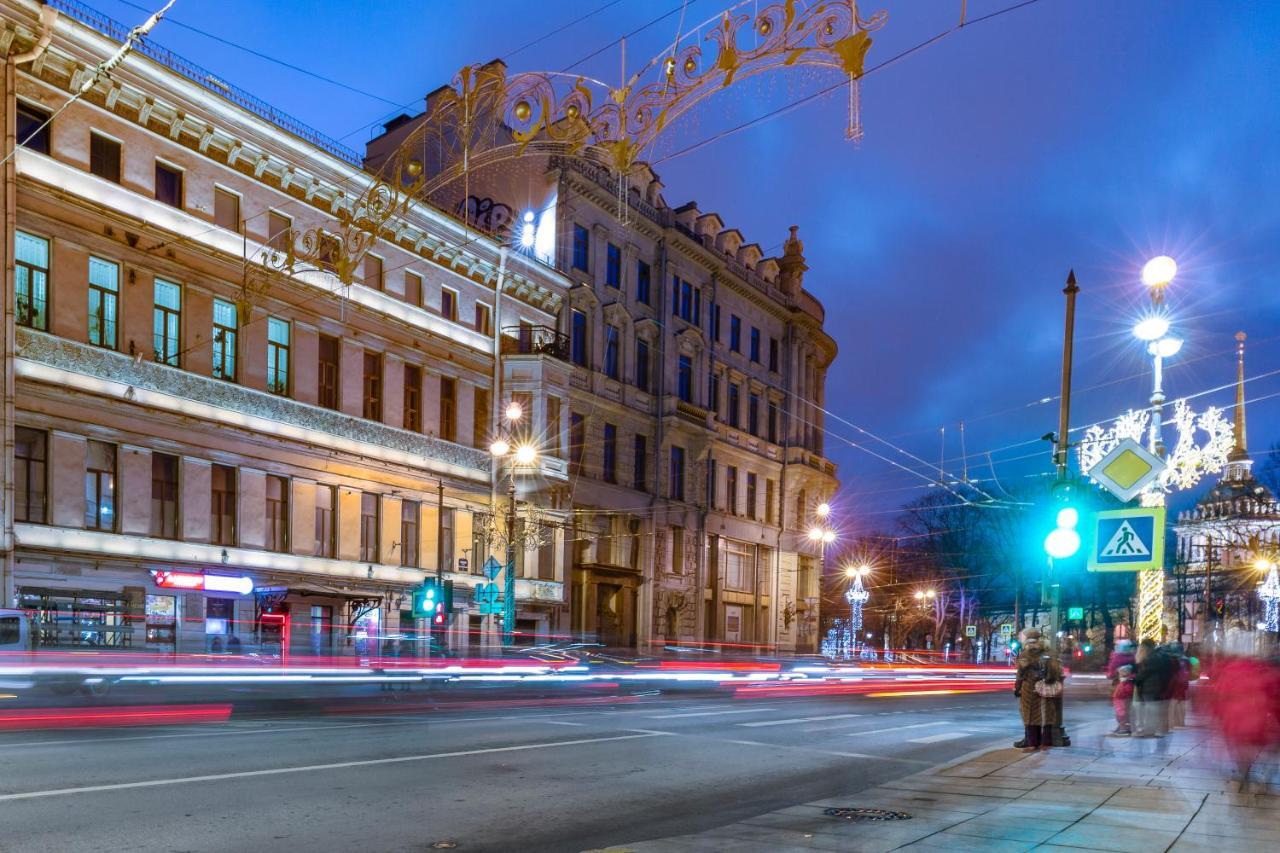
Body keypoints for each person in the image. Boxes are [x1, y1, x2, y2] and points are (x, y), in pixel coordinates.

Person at [1014, 629, 1065, 752]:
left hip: (1029, 688)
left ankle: (1032, 743)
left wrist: (1017, 688)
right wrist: (1048, 680)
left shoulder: (1025, 654)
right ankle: (1045, 743)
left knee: (1030, 716)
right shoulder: (1048, 652)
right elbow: (1056, 671)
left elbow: (1020, 674)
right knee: (1045, 715)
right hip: (1045, 688)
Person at [1133, 638, 1173, 737]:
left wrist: (1136, 680)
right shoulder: (1157, 656)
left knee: (1151, 709)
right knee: (1153, 708)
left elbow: (1145, 673)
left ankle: (1151, 730)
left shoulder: (1152, 657)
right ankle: (1155, 729)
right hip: (1154, 686)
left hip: (1150, 686)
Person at [1106, 639, 1136, 736]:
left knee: (1120, 706)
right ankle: (1127, 726)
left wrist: (1111, 674)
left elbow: (1110, 674)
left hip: (1120, 685)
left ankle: (1123, 727)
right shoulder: (1134, 657)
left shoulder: (1117, 657)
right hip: (1132, 685)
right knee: (1129, 707)